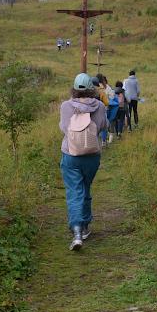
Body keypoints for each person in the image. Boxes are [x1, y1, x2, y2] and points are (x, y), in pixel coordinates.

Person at [59, 73, 108, 251]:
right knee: (85, 187)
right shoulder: (100, 106)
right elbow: (103, 126)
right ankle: (85, 225)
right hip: (92, 156)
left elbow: (63, 128)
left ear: (74, 88)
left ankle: (77, 231)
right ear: (91, 89)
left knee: (74, 191)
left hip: (70, 155)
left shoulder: (65, 106)